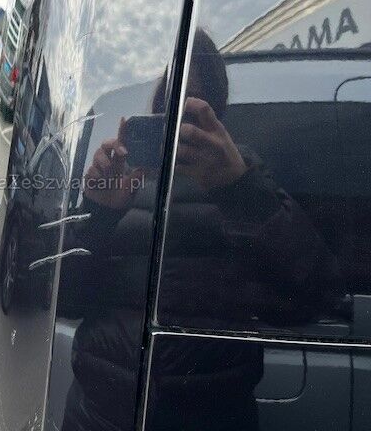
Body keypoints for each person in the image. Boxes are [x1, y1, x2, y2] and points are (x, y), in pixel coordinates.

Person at [60, 29, 344, 430]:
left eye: (192, 106)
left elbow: (309, 301)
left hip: (210, 417)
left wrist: (240, 190)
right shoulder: (124, 181)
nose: (179, 120)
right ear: (155, 107)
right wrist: (98, 215)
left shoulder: (246, 180)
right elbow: (64, 301)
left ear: (216, 112)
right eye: (168, 103)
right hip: (98, 416)